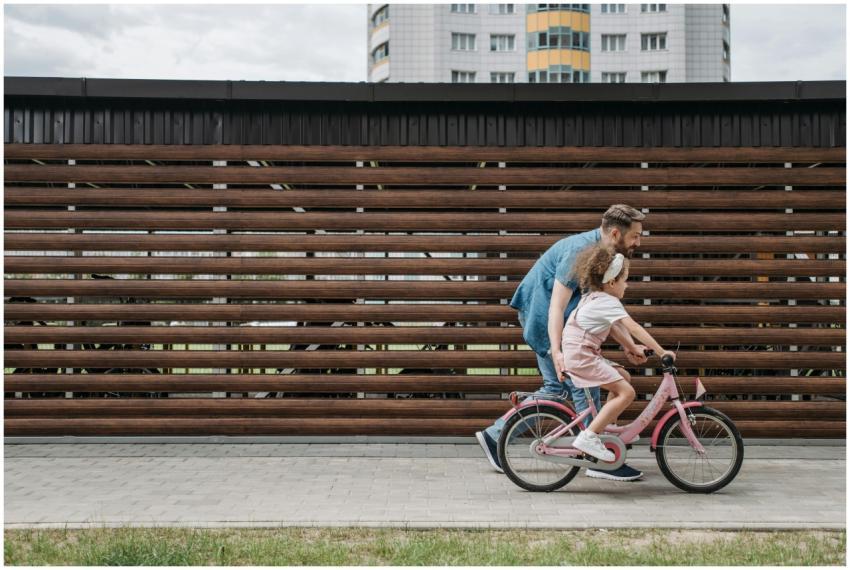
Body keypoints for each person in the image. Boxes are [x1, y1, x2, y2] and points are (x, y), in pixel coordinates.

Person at [475, 204, 648, 481]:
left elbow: (600, 309)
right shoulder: (580, 252)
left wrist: (628, 344)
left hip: (560, 320)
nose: (639, 242)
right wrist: (557, 352)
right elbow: (556, 307)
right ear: (616, 233)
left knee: (557, 389)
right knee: (582, 382)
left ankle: (496, 436)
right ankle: (592, 455)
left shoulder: (606, 254)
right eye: (636, 236)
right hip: (542, 315)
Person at [564, 245, 676, 461]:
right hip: (582, 356)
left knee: (623, 377)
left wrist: (632, 347)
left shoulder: (594, 296)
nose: (627, 284)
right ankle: (589, 437)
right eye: (625, 279)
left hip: (582, 353)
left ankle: (606, 427)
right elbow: (633, 327)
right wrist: (662, 352)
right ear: (612, 282)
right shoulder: (607, 300)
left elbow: (615, 327)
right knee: (627, 393)